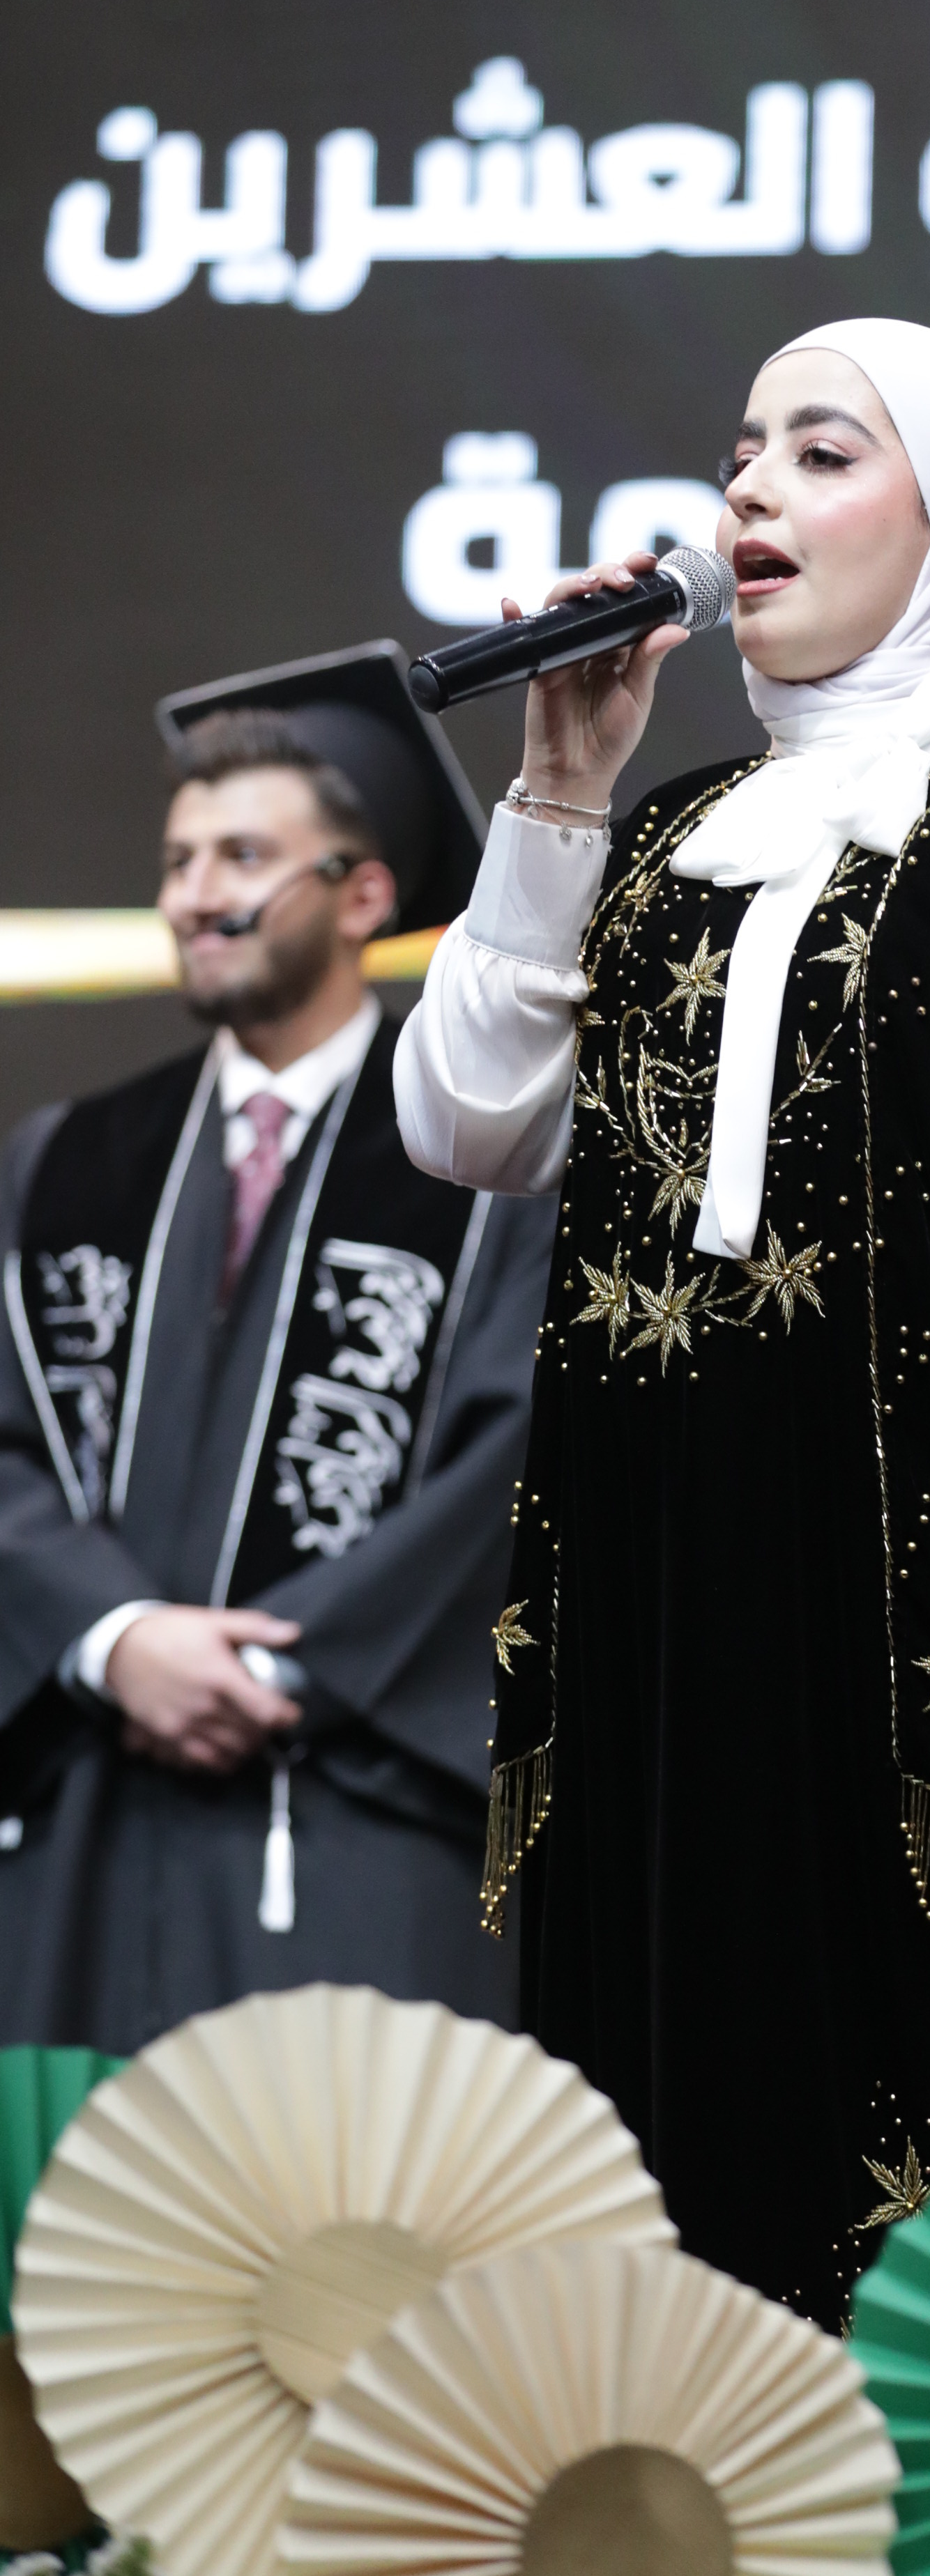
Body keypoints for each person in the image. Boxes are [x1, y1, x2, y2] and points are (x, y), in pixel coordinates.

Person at [396, 318, 930, 2327]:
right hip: (647, 1605)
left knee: (901, 2184)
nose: (750, 490)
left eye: (824, 451)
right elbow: (467, 1125)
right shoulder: (666, 835)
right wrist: (556, 797)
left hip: (907, 1629)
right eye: (743, 450)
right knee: (640, 2169)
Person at [0, 645, 558, 2049]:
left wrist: (282, 1665)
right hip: (88, 1810)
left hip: (361, 1810)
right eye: (179, 860)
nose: (195, 895)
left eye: (242, 856)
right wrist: (118, 1640)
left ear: (362, 895)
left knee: (339, 2177)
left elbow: (512, 1466)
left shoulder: (486, 1165)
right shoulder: (64, 1161)